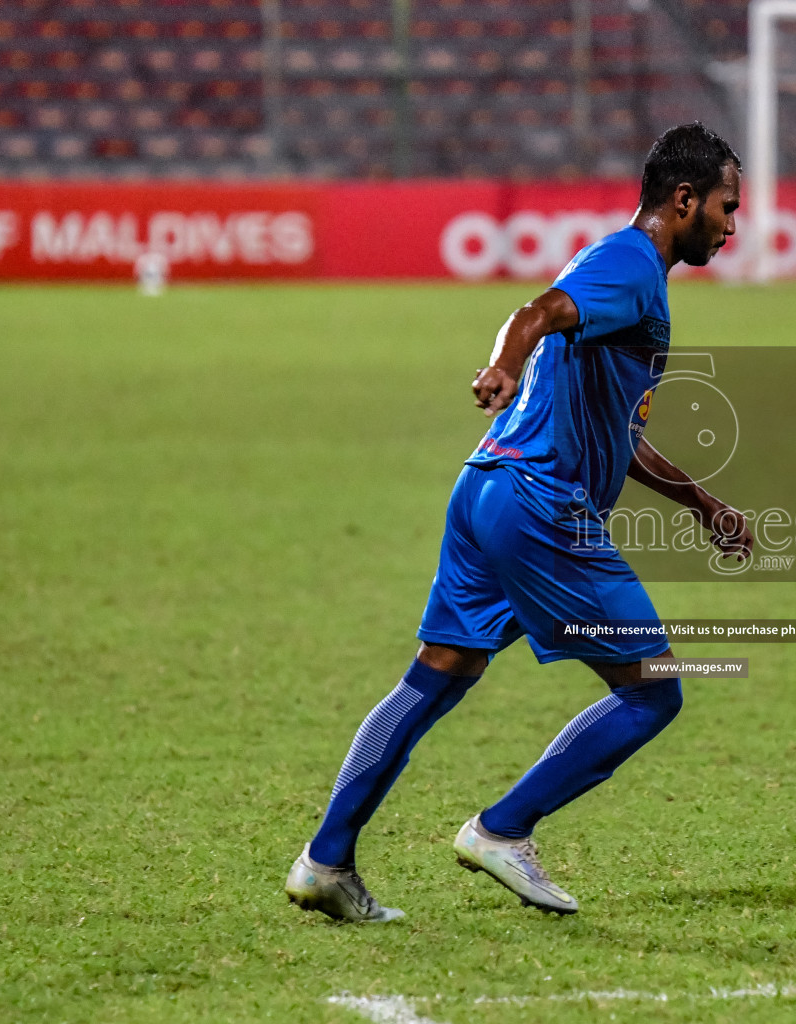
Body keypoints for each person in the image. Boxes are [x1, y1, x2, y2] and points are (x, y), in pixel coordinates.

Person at [284, 122, 753, 922]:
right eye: (726, 205)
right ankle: (503, 830)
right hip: (540, 506)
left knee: (434, 678)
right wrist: (503, 361)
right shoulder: (630, 265)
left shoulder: (625, 275)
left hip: (485, 490)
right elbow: (533, 312)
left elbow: (622, 439)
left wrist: (704, 506)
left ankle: (324, 861)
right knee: (653, 690)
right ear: (684, 199)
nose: (733, 224)